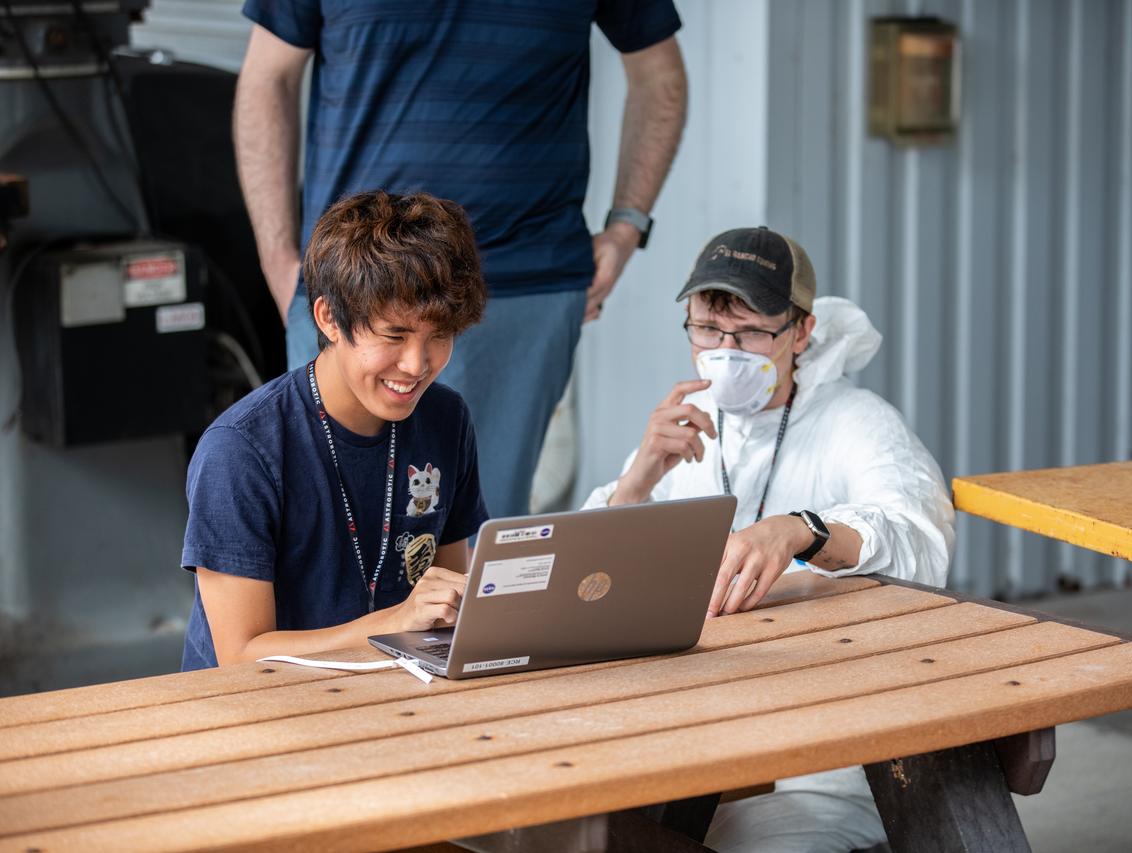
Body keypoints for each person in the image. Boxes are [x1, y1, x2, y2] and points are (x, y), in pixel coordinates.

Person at [234, 1, 688, 520]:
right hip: (356, 289)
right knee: (329, 526)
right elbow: (266, 79)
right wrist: (277, 257)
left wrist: (627, 226)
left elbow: (660, 76)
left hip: (523, 284)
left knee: (485, 530)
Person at [582, 226, 955, 852]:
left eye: (752, 332)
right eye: (707, 329)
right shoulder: (690, 433)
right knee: (586, 824)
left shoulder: (855, 422)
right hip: (704, 732)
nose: (725, 350)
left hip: (827, 759)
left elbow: (923, 540)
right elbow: (587, 582)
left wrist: (802, 531)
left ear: (800, 332)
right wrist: (636, 482)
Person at [180, 191, 489, 671]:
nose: (417, 365)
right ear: (329, 318)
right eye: (394, 336)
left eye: (440, 336)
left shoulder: (445, 418)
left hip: (393, 698)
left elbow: (451, 601)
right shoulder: (240, 450)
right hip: (257, 717)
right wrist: (396, 621)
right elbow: (239, 657)